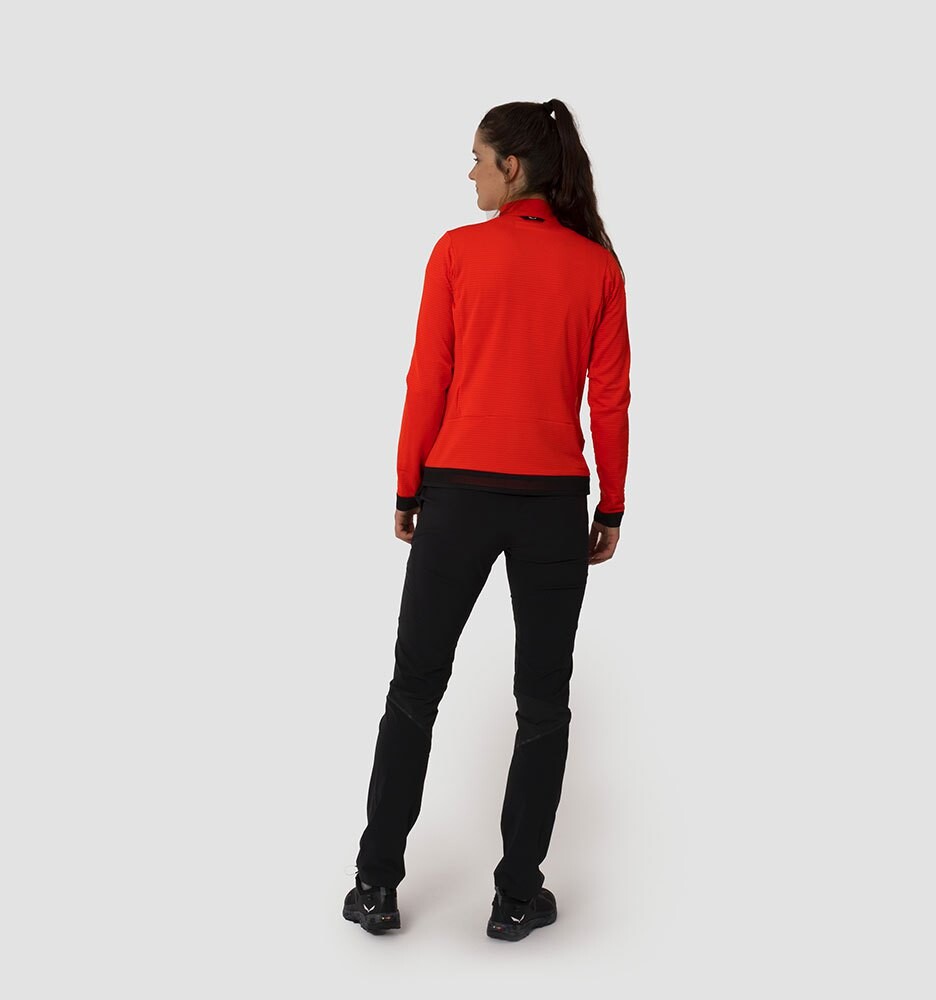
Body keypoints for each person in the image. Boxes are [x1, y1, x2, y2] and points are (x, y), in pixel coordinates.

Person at [343, 98, 631, 941]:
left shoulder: (457, 253)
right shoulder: (598, 269)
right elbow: (611, 400)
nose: (470, 172)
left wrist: (408, 487)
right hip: (553, 506)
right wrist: (611, 503)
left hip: (457, 497)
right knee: (543, 706)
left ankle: (375, 887)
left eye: (477, 158)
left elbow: (426, 378)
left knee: (413, 690)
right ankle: (515, 898)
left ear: (513, 167)